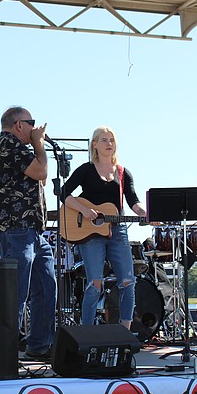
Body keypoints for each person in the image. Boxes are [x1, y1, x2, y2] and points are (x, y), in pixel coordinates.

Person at [0, 106, 57, 361]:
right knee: (16, 292)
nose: (35, 128)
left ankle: (39, 345)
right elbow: (41, 172)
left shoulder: (19, 149)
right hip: (15, 228)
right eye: (31, 123)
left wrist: (37, 149)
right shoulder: (8, 144)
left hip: (32, 231)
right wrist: (39, 144)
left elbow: (41, 177)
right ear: (18, 125)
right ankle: (3, 354)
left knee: (46, 286)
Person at [61, 126, 147, 329]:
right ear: (95, 144)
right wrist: (84, 210)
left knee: (128, 281)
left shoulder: (123, 173)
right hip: (90, 232)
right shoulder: (86, 169)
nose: (109, 144)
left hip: (118, 230)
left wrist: (145, 213)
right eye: (104, 140)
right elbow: (63, 193)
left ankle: (125, 332)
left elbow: (133, 200)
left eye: (112, 140)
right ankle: (87, 333)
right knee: (95, 283)